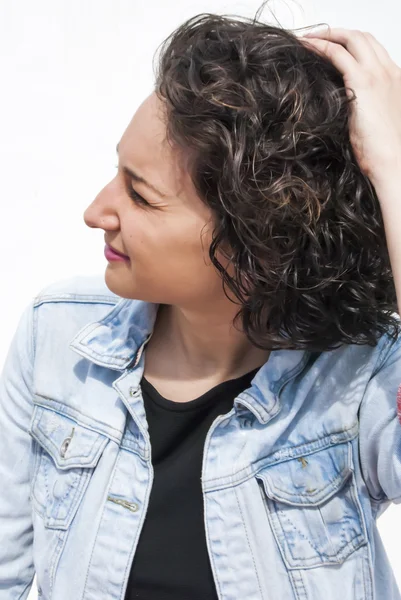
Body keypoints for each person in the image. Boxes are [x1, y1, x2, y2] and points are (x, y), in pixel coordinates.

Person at [1, 4, 401, 599]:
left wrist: (392, 165)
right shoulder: (57, 336)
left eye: (140, 195)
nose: (95, 212)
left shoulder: (357, 382)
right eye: (118, 173)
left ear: (257, 240)